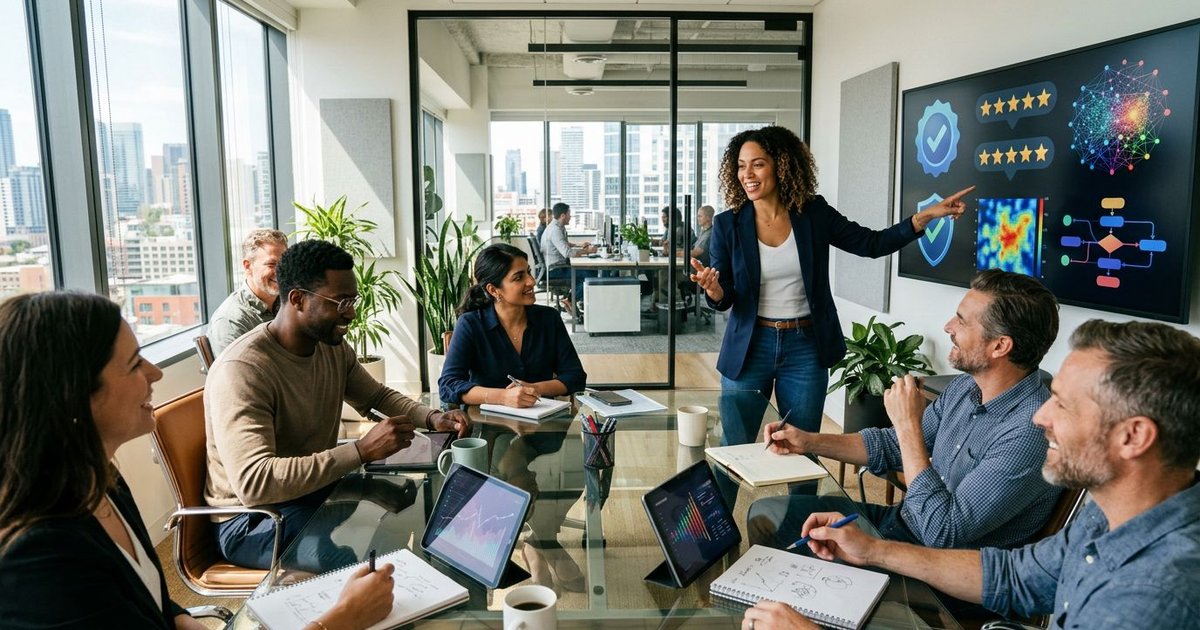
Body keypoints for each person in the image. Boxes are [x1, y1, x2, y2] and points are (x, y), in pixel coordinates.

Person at [743, 320, 1200, 630]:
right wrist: (876, 551)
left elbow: (944, 532)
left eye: (1062, 403)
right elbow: (1014, 576)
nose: (1042, 417)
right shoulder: (1111, 512)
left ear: (1133, 436)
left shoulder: (1152, 598)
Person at [0, 291, 395, 630]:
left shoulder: (102, 482)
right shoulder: (40, 560)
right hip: (251, 519)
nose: (155, 372)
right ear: (74, 395)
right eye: (135, 363)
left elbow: (150, 600)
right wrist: (338, 620)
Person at [750, 270, 1063, 551]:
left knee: (788, 546)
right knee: (765, 514)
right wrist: (808, 441)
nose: (948, 327)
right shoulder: (964, 389)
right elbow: (889, 447)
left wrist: (907, 425)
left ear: (999, 346)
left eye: (962, 321)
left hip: (940, 571)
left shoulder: (1030, 432)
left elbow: (942, 531)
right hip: (904, 527)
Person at [205, 239, 470, 569]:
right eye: (341, 301)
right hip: (253, 519)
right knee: (355, 563)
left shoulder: (330, 347)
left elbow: (375, 396)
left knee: (404, 523)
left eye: (353, 299)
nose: (352, 312)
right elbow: (256, 483)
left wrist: (431, 418)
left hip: (312, 492)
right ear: (298, 299)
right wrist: (360, 451)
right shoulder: (243, 370)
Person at [690, 125, 973, 433]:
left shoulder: (812, 213)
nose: (748, 174)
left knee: (803, 448)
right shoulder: (727, 225)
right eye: (741, 166)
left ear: (781, 164)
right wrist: (715, 290)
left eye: (758, 164)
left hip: (804, 347)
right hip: (749, 346)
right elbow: (724, 296)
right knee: (734, 446)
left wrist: (924, 217)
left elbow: (871, 244)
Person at [439, 243, 586, 407]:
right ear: (494, 290)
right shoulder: (470, 324)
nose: (532, 281)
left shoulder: (549, 318)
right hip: (487, 424)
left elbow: (576, 376)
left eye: (529, 272)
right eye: (518, 277)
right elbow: (448, 385)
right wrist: (502, 397)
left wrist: (534, 388)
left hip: (543, 422)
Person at [208, 228, 288, 356]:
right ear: (247, 266)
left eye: (284, 263)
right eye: (271, 264)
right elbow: (236, 374)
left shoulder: (289, 303)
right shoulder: (231, 320)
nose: (281, 271)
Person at [540, 202, 597, 312]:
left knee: (588, 272)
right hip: (555, 270)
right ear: (563, 216)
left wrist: (579, 245)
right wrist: (588, 251)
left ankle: (571, 299)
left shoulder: (556, 227)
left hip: (557, 266)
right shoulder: (555, 230)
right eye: (569, 214)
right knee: (591, 274)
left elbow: (563, 244)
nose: (570, 216)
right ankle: (571, 300)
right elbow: (567, 253)